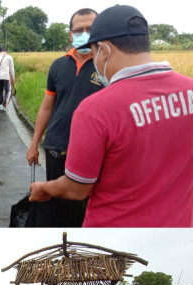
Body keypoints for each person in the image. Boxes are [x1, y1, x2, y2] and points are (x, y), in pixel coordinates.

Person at [30, 4, 193, 227]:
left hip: (112, 237)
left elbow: (76, 189)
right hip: (178, 233)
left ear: (104, 51)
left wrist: (43, 187)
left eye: (95, 50)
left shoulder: (95, 109)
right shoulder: (189, 91)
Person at [26, 8, 101, 227]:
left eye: (91, 29)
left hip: (91, 152)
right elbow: (47, 108)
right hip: (56, 148)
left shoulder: (106, 66)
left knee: (85, 209)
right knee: (56, 204)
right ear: (70, 35)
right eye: (79, 30)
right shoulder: (58, 65)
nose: (85, 34)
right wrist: (33, 145)